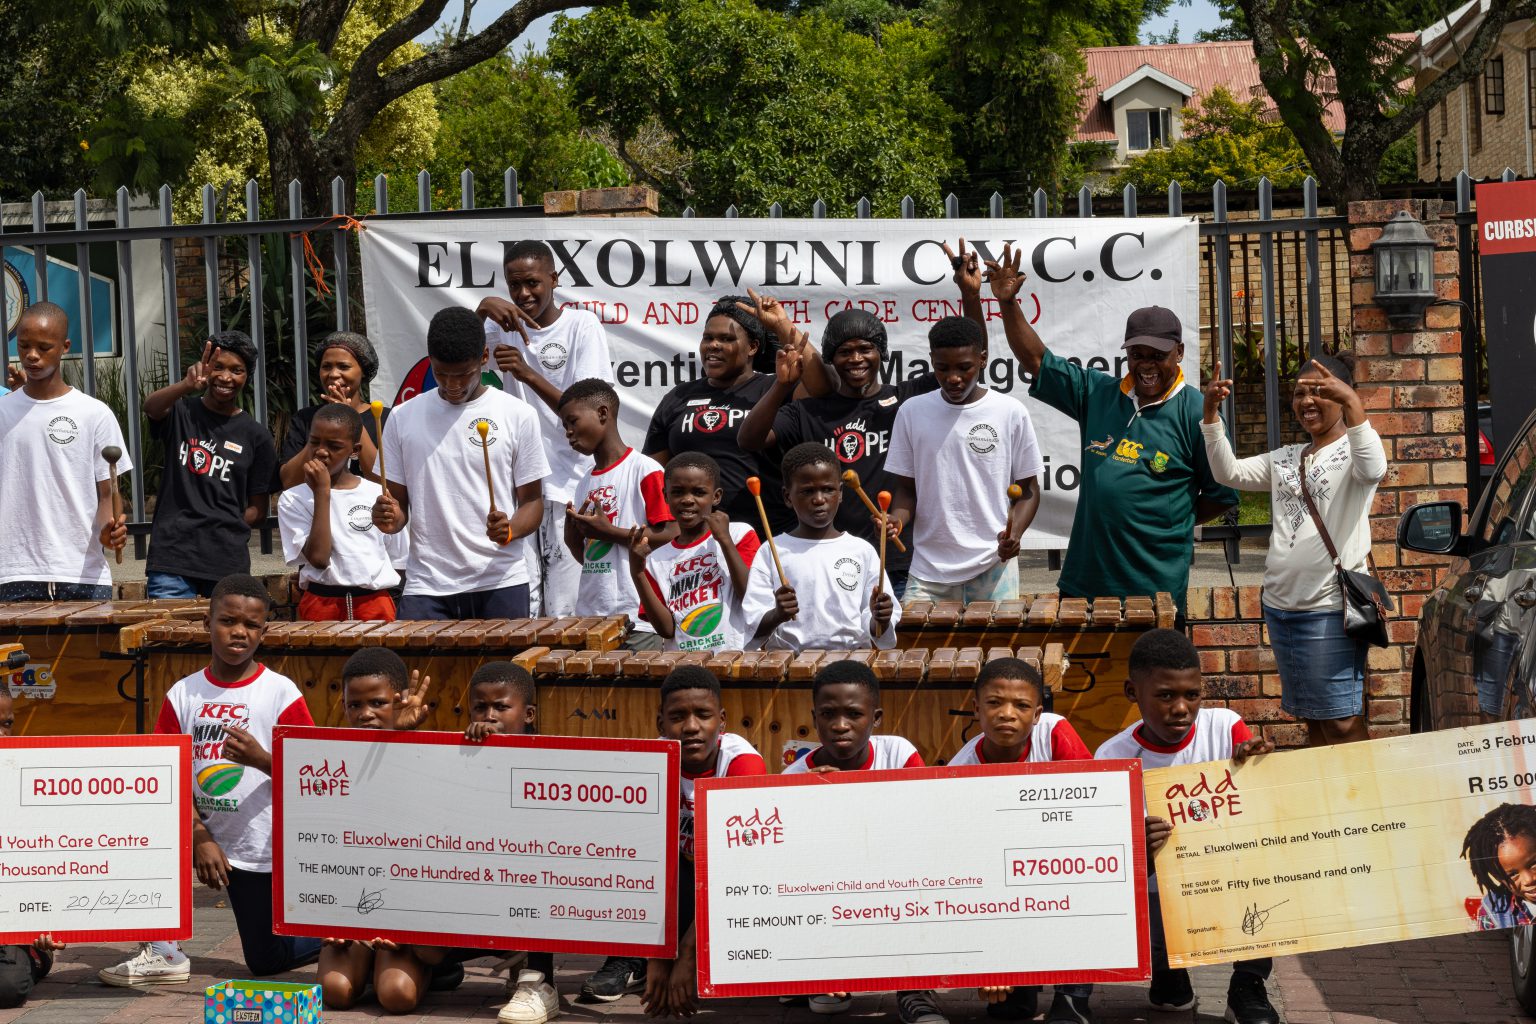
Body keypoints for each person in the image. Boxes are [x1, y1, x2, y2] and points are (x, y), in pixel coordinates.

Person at [988, 243, 1237, 620]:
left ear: (1180, 353)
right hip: (1085, 582)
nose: (1147, 365)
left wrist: (1172, 519)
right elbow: (1037, 360)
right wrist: (1008, 303)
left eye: (1158, 355)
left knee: (1155, 677)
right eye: (1138, 354)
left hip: (1155, 588)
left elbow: (1221, 494)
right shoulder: (1097, 393)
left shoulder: (1194, 411)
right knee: (1081, 679)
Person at [101, 575, 321, 987]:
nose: (239, 632)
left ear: (264, 632)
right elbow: (167, 779)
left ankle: (337, 933)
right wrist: (198, 835)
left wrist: (263, 759)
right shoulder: (184, 694)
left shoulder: (280, 693)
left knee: (264, 961)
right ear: (207, 623)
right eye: (228, 621)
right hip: (202, 837)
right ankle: (163, 950)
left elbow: (309, 774)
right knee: (143, 825)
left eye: (251, 625)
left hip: (257, 847)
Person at [1202, 354, 1386, 746]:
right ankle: (1329, 802)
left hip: (1328, 609)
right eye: (1300, 392)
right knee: (1313, 719)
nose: (1307, 401)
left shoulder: (1355, 454)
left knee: (1340, 720)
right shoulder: (1287, 458)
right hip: (1282, 608)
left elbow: (1374, 470)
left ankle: (1370, 803)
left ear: (1342, 396)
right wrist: (1211, 415)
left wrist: (1354, 403)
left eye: (1320, 391)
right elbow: (1227, 473)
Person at [1096, 629, 1277, 1024]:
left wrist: (1255, 764)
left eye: (1191, 695)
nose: (1181, 708)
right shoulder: (1112, 755)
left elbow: (1259, 805)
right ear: (1132, 692)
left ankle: (1248, 983)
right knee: (1144, 892)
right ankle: (1168, 970)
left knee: (1268, 872)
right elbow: (1110, 857)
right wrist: (1136, 845)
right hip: (1161, 886)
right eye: (1165, 695)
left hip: (1227, 871)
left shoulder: (1226, 728)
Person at [781, 661, 940, 1024]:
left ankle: (914, 986)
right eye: (828, 714)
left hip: (893, 876)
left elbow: (925, 825)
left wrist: (850, 798)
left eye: (854, 714)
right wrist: (812, 802)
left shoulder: (898, 754)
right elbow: (793, 863)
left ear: (876, 717)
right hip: (836, 885)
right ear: (814, 717)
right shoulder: (795, 775)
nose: (840, 725)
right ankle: (828, 969)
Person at [738, 308, 937, 598]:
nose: (856, 359)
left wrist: (971, 297)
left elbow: (969, 355)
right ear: (830, 359)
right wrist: (781, 387)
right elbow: (749, 440)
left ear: (881, 353)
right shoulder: (808, 412)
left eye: (865, 349)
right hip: (828, 562)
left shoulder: (906, 400)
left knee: (894, 643)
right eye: (845, 352)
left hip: (896, 565)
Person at [372, 307, 550, 620]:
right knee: (420, 672)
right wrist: (388, 517)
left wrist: (510, 529)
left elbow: (533, 502)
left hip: (500, 581)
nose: (452, 385)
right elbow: (398, 511)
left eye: (463, 375)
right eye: (441, 374)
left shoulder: (517, 415)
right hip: (427, 586)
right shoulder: (402, 418)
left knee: (502, 672)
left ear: (484, 357)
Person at [479, 239, 616, 617]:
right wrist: (480, 311)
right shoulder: (500, 327)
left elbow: (587, 412)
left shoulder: (580, 326)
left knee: (564, 606)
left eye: (533, 283)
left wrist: (526, 372)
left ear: (553, 279)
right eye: (513, 285)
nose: (523, 294)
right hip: (519, 489)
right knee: (524, 601)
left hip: (568, 485)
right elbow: (456, 359)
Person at [950, 658, 1091, 1022]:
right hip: (1000, 880)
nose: (1007, 714)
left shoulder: (1056, 733)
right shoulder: (957, 773)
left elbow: (1093, 809)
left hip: (1060, 861)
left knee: (1090, 879)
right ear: (976, 708)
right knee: (1010, 1008)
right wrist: (989, 962)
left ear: (1039, 713)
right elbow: (964, 869)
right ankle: (1017, 982)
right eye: (995, 703)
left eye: (1022, 705)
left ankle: (1073, 994)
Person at [631, 665, 767, 1018]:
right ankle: (628, 960)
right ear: (660, 724)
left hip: (729, 882)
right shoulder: (648, 764)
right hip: (678, 881)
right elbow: (644, 865)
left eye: (703, 715)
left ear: (721, 721)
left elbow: (736, 869)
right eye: (677, 717)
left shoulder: (743, 764)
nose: (691, 727)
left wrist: (689, 955)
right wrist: (658, 957)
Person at [319, 648, 445, 1013]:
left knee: (396, 996)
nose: (365, 714)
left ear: (401, 700)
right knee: (335, 991)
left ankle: (429, 969)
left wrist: (399, 738)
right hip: (352, 900)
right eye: (354, 705)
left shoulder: (427, 754)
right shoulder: (326, 762)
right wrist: (329, 913)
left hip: (407, 906)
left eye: (377, 702)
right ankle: (367, 963)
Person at [885, 314, 1042, 603]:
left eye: (964, 368)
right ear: (931, 360)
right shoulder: (912, 411)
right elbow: (907, 491)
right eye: (942, 368)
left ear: (983, 359)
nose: (953, 378)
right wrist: (896, 520)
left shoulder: (1009, 411)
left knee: (999, 650)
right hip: (928, 572)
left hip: (994, 565)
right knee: (917, 649)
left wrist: (1015, 534)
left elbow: (1029, 490)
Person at [643, 293, 825, 538]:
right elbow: (654, 477)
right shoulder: (678, 397)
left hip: (769, 538)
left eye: (726, 339)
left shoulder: (778, 386)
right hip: (698, 547)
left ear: (752, 347)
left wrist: (781, 325)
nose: (713, 345)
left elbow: (823, 388)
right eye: (708, 338)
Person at [0, 302, 130, 601]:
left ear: (64, 346)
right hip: (13, 572)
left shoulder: (94, 413)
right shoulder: (3, 412)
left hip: (81, 572)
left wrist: (108, 528)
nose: (32, 356)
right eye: (24, 346)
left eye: (44, 347)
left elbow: (109, 494)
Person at [457, 662, 560, 1024]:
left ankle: (540, 981)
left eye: (501, 707)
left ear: (528, 714)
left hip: (526, 888)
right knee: (421, 950)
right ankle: (446, 969)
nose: (490, 716)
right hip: (473, 887)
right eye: (480, 708)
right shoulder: (459, 755)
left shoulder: (547, 760)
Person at [144, 334, 279, 599]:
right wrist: (185, 385)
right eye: (219, 367)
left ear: (246, 377)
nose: (226, 377)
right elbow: (151, 408)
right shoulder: (182, 413)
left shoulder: (256, 436)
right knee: (169, 637)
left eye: (236, 370)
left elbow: (258, 509)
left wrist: (226, 525)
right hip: (173, 559)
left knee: (223, 640)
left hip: (227, 563)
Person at [741, 443, 898, 652]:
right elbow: (753, 624)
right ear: (788, 497)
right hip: (789, 666)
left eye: (828, 489)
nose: (819, 499)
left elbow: (877, 628)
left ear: (840, 493)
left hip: (849, 662)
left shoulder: (862, 550)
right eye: (807, 491)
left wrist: (881, 617)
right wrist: (777, 615)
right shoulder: (771, 550)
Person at [560, 378, 674, 650]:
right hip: (591, 615)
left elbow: (672, 534)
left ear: (602, 413)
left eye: (573, 421)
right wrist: (573, 539)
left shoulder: (645, 470)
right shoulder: (585, 481)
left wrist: (608, 532)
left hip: (637, 616)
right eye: (564, 426)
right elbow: (591, 556)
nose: (568, 432)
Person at [278, 404, 405, 621]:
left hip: (375, 604)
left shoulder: (377, 494)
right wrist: (322, 493)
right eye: (314, 442)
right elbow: (318, 558)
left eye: (334, 446)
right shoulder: (293, 498)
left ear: (354, 450)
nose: (320, 451)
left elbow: (399, 560)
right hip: (321, 603)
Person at [630, 453, 760, 652]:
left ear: (716, 496)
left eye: (698, 492)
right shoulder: (656, 559)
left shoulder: (739, 534)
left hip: (737, 657)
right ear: (665, 496)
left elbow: (751, 598)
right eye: (678, 492)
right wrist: (637, 573)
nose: (687, 500)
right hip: (685, 664)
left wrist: (724, 540)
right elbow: (666, 630)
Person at [0, 690, 58, 1009]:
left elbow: (45, 859)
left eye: (7, 723)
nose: (1, 733)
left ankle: (34, 954)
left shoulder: (29, 778)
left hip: (9, 921)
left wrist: (45, 918)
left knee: (9, 988)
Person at [276, 332, 386, 490]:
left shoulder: (382, 418)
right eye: (326, 367)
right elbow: (289, 482)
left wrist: (350, 417)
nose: (333, 374)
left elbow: (382, 481)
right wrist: (317, 438)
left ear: (363, 371)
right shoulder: (305, 418)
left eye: (344, 367)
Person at [1463, 803, 1536, 930]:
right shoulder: (1494, 915)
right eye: (1512, 874)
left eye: (1534, 864)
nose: (1529, 879)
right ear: (1498, 877)